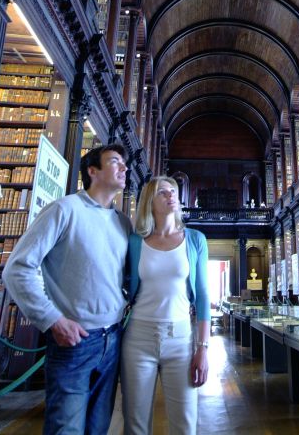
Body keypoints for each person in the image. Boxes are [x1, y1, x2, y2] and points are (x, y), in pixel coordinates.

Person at [3, 144, 130, 435]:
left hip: (113, 339)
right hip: (75, 342)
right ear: (92, 171)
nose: (124, 168)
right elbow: (18, 268)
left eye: (124, 163)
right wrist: (52, 319)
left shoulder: (122, 222)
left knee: (98, 428)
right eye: (115, 162)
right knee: (66, 429)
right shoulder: (64, 209)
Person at [122, 176, 210, 435]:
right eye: (163, 192)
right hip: (138, 339)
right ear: (150, 201)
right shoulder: (135, 242)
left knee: (185, 423)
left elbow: (204, 295)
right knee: (135, 424)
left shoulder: (195, 239)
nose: (171, 195)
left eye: (173, 191)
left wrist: (202, 348)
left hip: (181, 339)